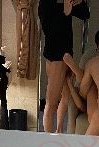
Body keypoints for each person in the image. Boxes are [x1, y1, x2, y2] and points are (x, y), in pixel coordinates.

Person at [38, 0, 90, 133]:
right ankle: (48, 138)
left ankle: (59, 131)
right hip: (56, 54)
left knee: (66, 96)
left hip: (66, 52)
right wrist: (65, 12)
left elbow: (85, 14)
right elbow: (48, 29)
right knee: (51, 102)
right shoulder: (46, 3)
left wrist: (76, 4)